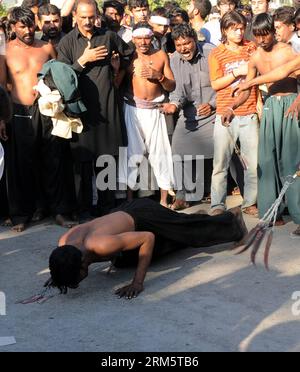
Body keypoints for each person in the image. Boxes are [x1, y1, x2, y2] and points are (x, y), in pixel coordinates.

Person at [46, 198, 248, 299]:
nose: (79, 282)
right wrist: (60, 274)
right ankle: (190, 220)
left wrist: (138, 282)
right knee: (126, 260)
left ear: (81, 264)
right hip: (122, 214)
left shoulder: (101, 245)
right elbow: (62, 261)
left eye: (76, 278)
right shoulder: (65, 244)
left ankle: (233, 221)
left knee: (190, 234)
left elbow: (147, 238)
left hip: (144, 215)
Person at [222, 13, 300, 236]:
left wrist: (298, 100)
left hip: (290, 105)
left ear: (273, 32)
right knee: (266, 161)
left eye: (265, 34)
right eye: (257, 35)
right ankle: (271, 213)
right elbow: (247, 89)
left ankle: (299, 214)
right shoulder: (254, 57)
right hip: (269, 108)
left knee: (291, 161)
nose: (261, 39)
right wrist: (231, 107)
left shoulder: (287, 51)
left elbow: (288, 74)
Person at [1, 6, 78, 232]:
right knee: (21, 166)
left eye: (30, 25)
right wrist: (2, 118)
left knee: (55, 161)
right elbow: (2, 88)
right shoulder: (5, 51)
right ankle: (21, 214)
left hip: (47, 110)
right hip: (18, 112)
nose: (27, 30)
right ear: (13, 26)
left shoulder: (46, 47)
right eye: (22, 26)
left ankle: (60, 212)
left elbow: (60, 74)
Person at [57, 0, 135, 218]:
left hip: (107, 108)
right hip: (80, 111)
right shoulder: (67, 42)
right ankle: (83, 210)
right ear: (75, 16)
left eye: (92, 16)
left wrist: (117, 70)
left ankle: (106, 208)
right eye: (83, 17)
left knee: (106, 160)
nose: (88, 21)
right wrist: (83, 60)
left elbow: (129, 54)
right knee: (82, 165)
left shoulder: (108, 36)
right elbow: (62, 78)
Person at [119, 22, 175, 207]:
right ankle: (129, 201)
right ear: (133, 38)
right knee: (131, 155)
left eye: (146, 37)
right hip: (133, 110)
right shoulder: (128, 57)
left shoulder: (160, 56)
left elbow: (171, 85)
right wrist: (116, 68)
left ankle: (164, 201)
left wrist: (158, 76)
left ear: (152, 37)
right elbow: (116, 84)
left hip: (155, 111)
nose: (143, 42)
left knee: (161, 154)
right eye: (139, 38)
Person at [208, 11, 259, 217]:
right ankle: (217, 205)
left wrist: (259, 104)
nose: (239, 32)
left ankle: (250, 202)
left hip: (249, 111)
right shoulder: (216, 53)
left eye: (241, 28)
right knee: (220, 163)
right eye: (234, 29)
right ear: (224, 30)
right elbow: (215, 84)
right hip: (224, 113)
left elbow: (258, 78)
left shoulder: (252, 47)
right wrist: (236, 73)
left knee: (252, 164)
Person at [160, 23, 215, 210]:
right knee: (178, 149)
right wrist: (174, 105)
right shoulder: (174, 60)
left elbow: (224, 85)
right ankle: (183, 196)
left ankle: (239, 193)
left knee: (226, 152)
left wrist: (213, 105)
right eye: (179, 45)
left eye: (187, 43)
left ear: (195, 40)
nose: (184, 49)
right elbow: (177, 93)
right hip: (189, 115)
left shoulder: (211, 52)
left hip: (215, 113)